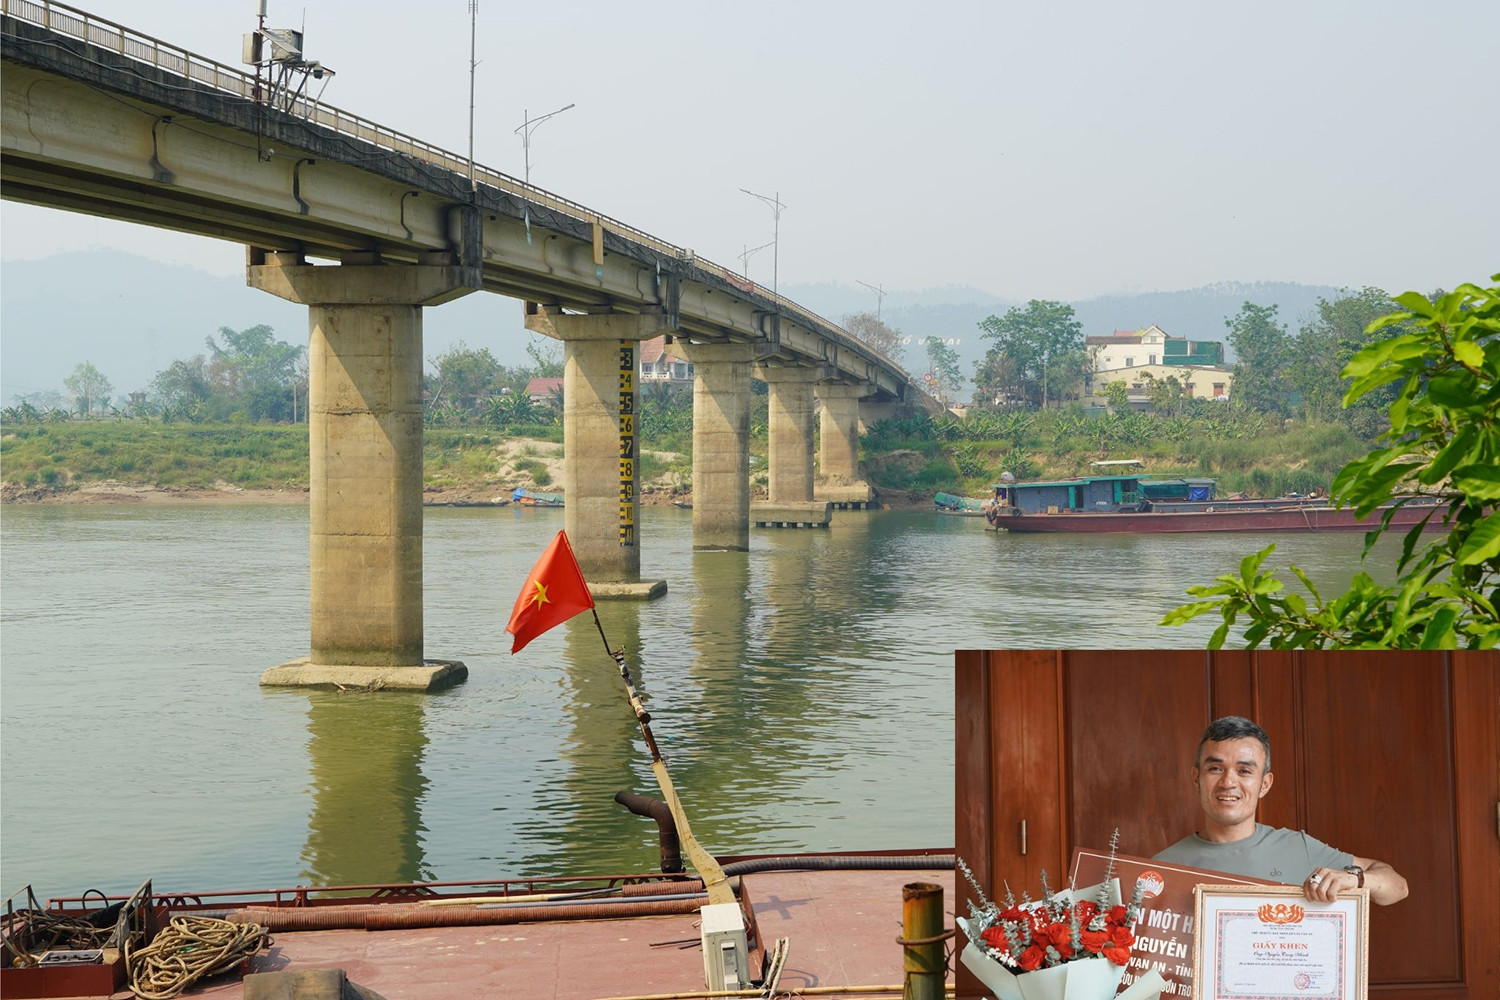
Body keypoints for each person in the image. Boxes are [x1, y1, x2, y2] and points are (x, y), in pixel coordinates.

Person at [1154, 716, 1408, 905]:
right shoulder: (1161, 869)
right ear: (1196, 778)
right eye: (1215, 769)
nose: (1228, 782)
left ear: (1265, 784)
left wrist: (1357, 879)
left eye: (1244, 771)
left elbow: (1397, 886)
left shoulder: (1299, 848)